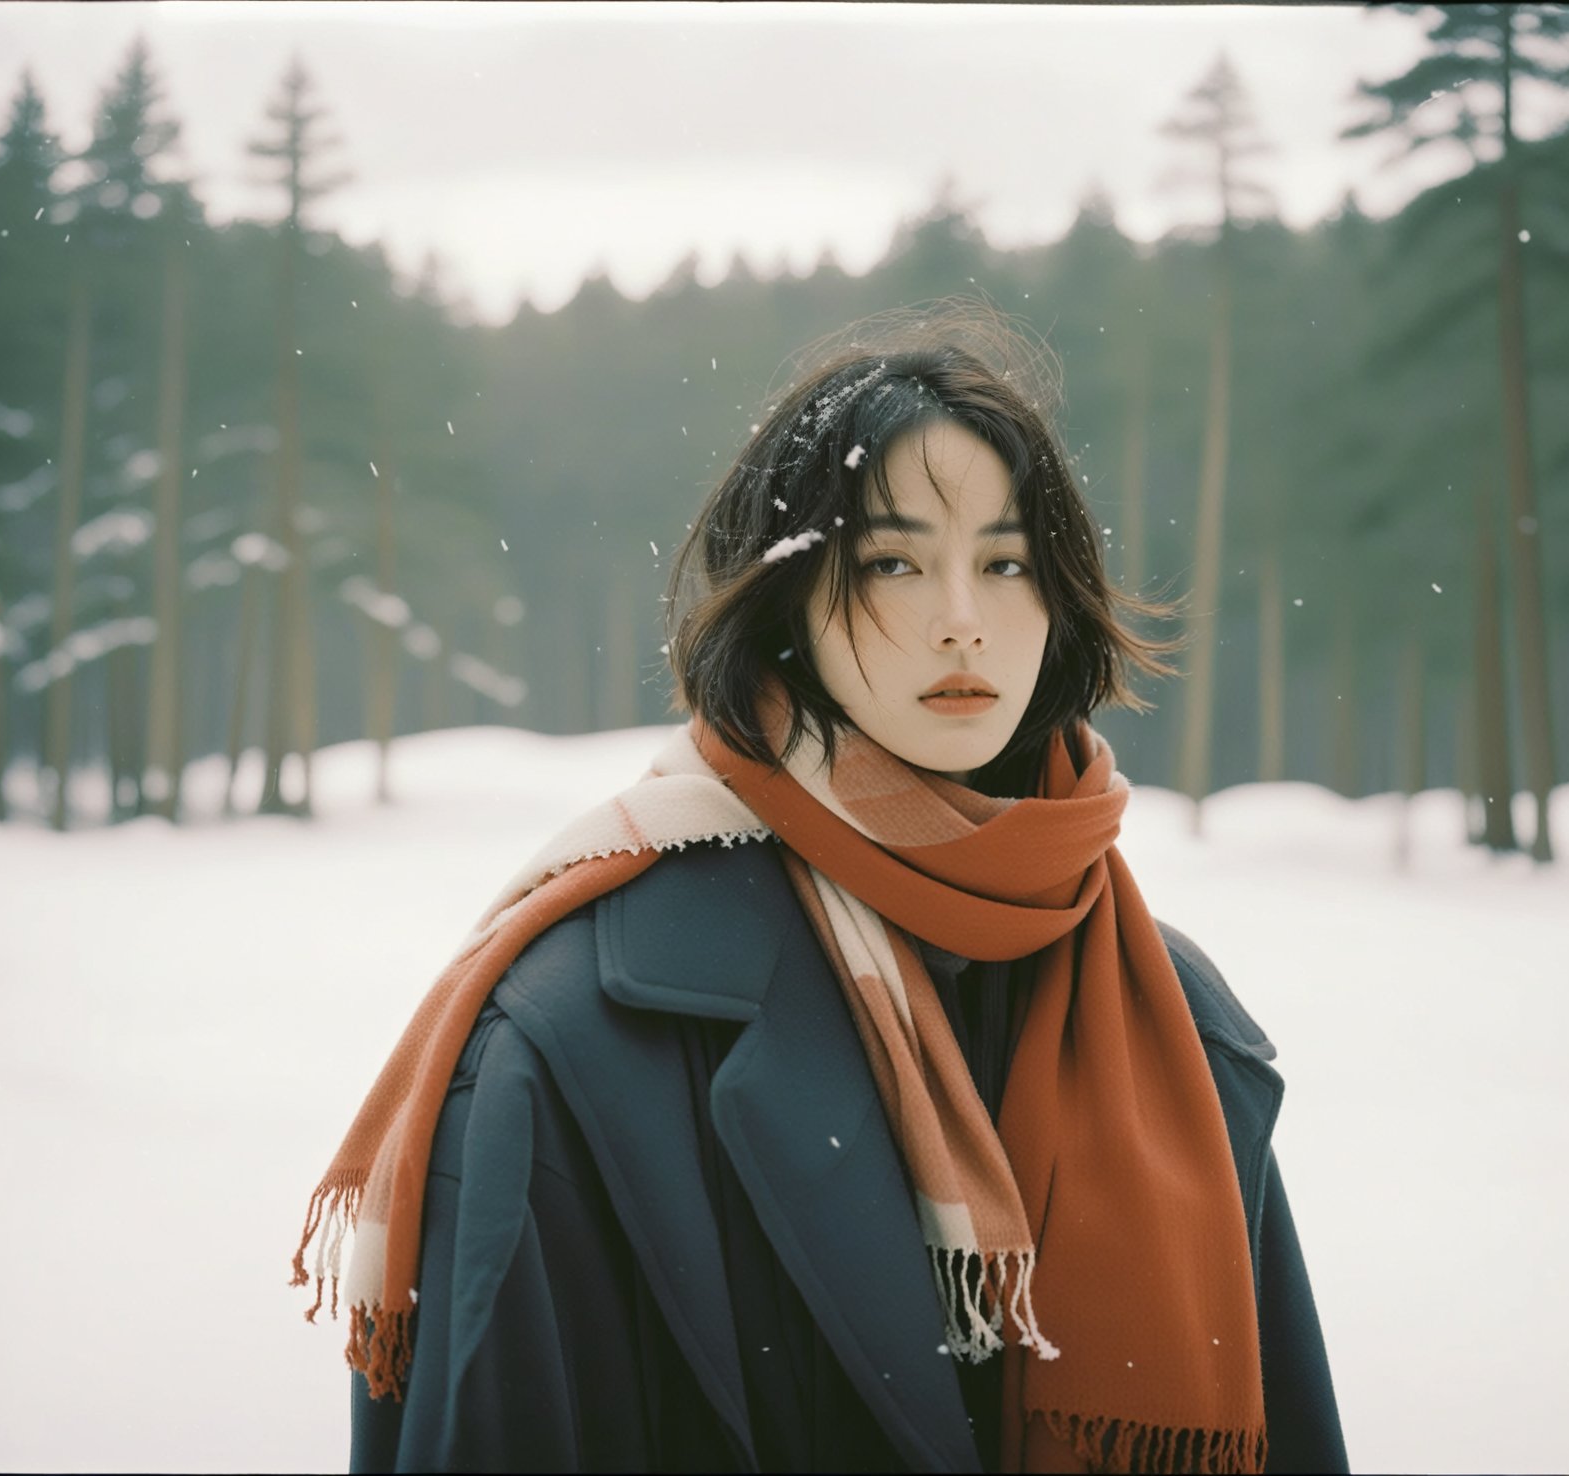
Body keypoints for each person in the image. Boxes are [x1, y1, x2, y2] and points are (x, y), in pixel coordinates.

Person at [295, 303, 1346, 1475]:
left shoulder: (1166, 1018)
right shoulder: (584, 1034)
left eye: (1004, 562)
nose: (962, 622)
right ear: (783, 605)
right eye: (891, 562)